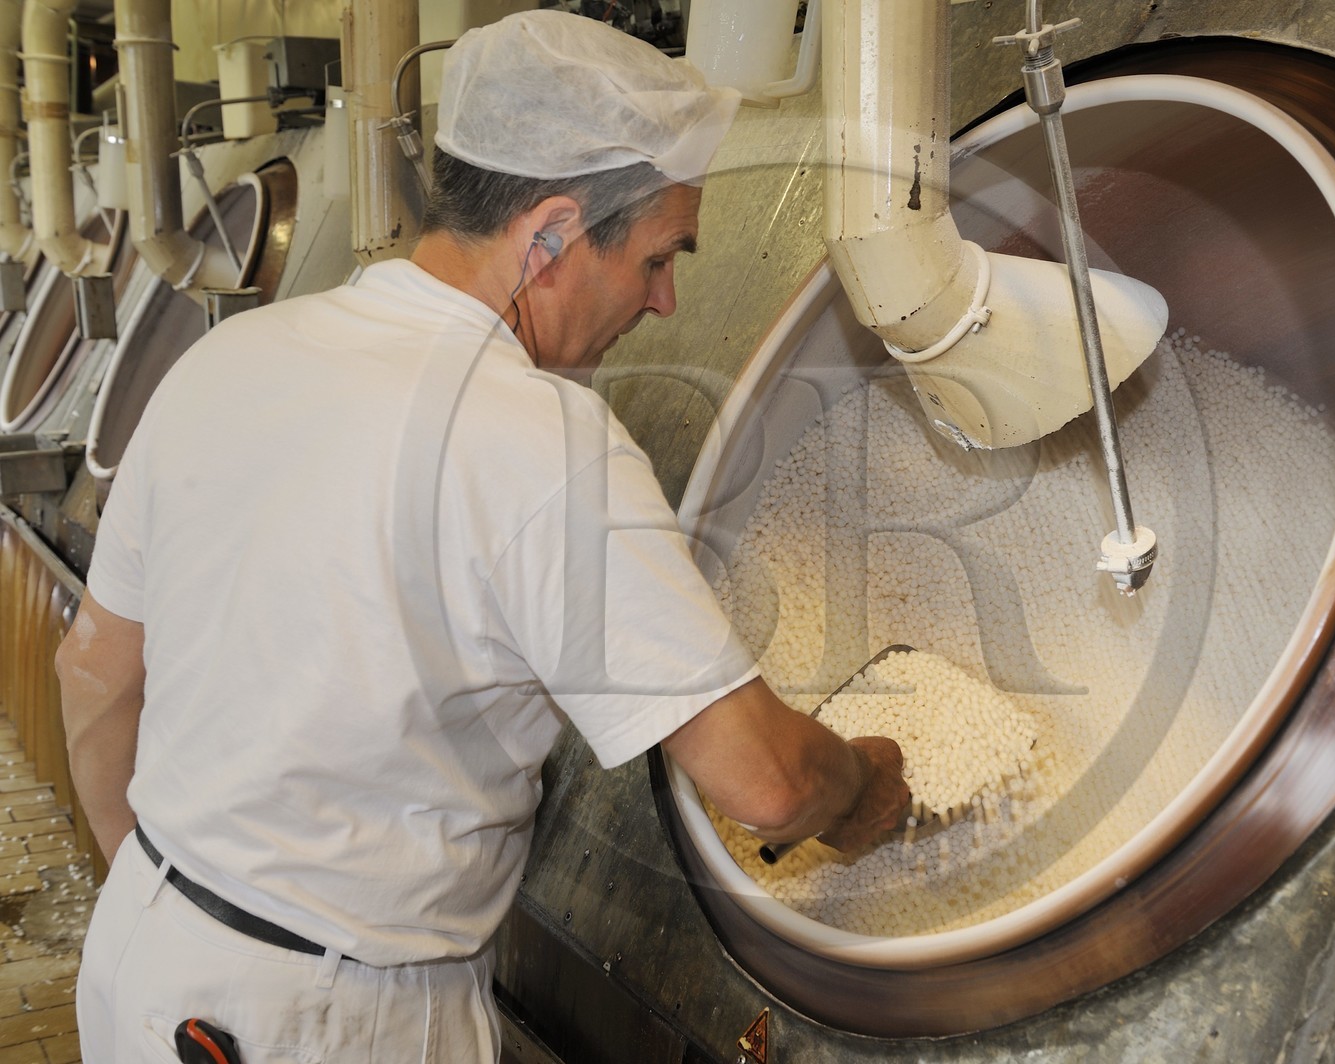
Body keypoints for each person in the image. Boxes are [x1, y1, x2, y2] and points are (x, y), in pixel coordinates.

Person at [56, 11, 908, 1062]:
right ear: (547, 233)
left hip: (140, 958)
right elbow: (765, 782)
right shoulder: (539, 437)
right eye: (656, 257)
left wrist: (172, 905)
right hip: (328, 1021)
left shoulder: (233, 357)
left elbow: (93, 671)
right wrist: (862, 789)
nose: (667, 298)